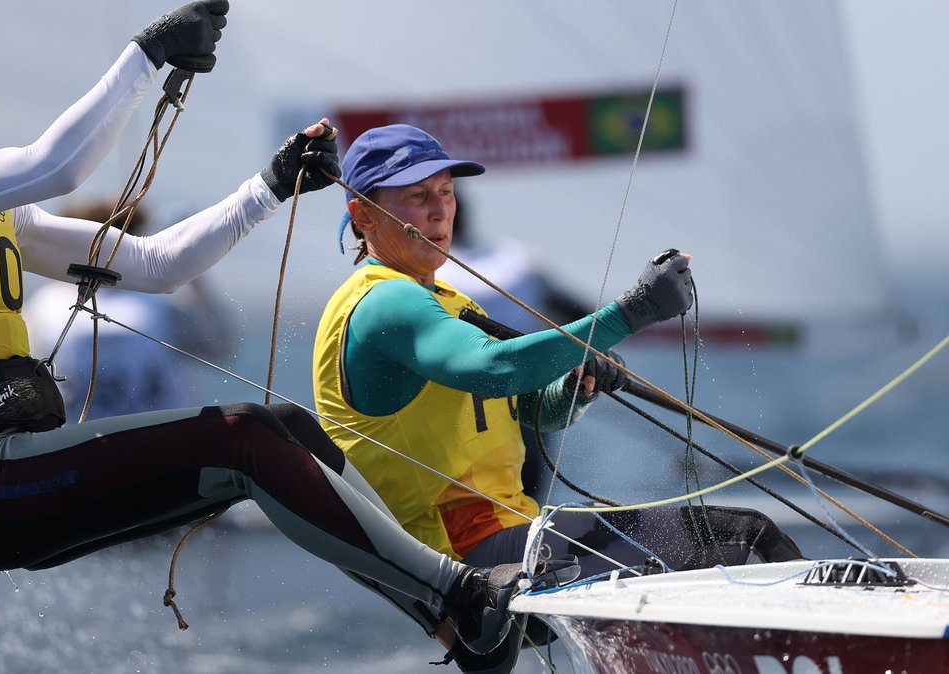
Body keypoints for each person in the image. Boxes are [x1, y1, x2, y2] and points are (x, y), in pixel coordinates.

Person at [0, 1, 534, 661]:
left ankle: (459, 630)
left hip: (14, 466)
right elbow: (54, 164)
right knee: (245, 438)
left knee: (286, 428)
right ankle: (463, 590)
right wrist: (147, 53)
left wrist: (269, 187)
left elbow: (154, 265)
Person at [312, 124, 803, 671]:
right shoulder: (384, 303)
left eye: (446, 193)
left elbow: (527, 407)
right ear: (363, 215)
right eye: (416, 196)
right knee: (746, 540)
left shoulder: (442, 299)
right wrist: (632, 310)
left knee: (693, 591)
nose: (438, 211)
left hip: (506, 547)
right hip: (471, 565)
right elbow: (494, 369)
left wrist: (570, 389)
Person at [436, 192, 591, 503]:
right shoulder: (518, 256)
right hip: (527, 388)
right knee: (526, 493)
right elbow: (581, 312)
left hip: (463, 403)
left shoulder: (429, 271)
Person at [23, 198, 234, 420]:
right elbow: (220, 346)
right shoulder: (162, 297)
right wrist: (189, 267)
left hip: (88, 446)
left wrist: (190, 267)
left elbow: (219, 346)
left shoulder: (40, 307)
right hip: (158, 442)